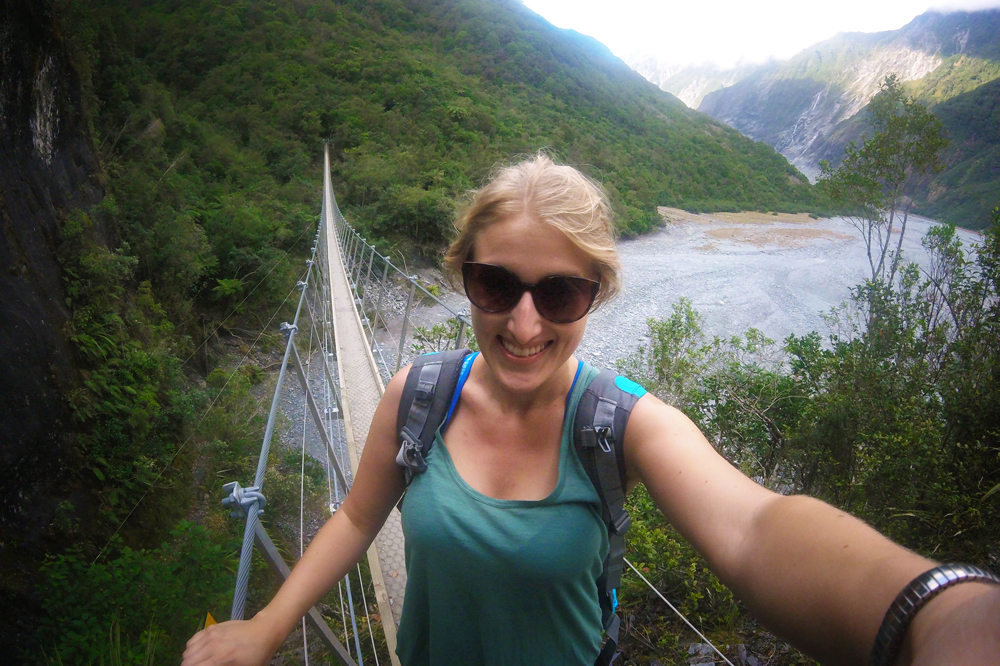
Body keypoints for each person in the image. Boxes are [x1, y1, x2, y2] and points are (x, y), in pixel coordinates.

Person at [182, 155, 1000, 666]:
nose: (524, 324)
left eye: (561, 292)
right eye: (495, 285)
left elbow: (753, 529)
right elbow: (359, 519)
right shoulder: (417, 396)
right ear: (463, 274)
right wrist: (266, 628)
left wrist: (935, 606)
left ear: (597, 294)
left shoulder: (618, 422)